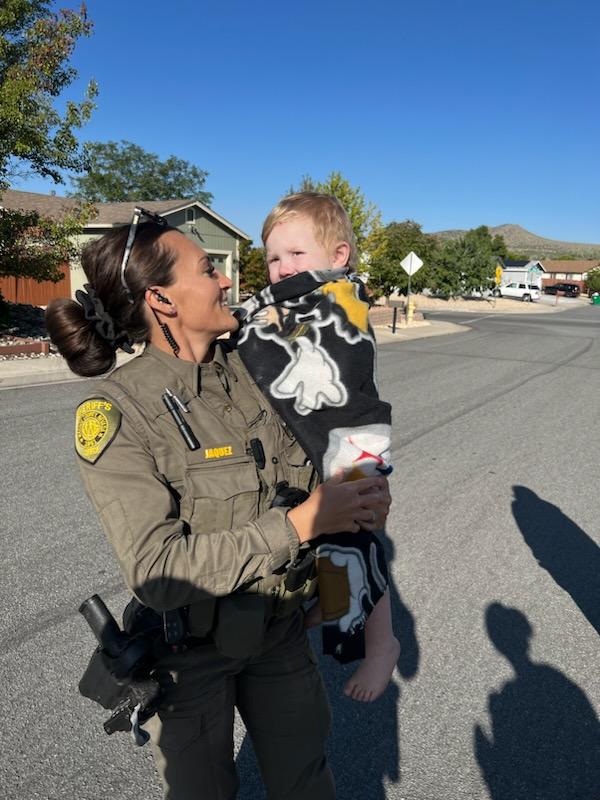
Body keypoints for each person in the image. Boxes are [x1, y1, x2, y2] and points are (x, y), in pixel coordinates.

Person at [44, 209, 391, 800]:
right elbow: (157, 571)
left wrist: (355, 507)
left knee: (306, 781)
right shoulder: (120, 413)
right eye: (208, 270)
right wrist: (302, 524)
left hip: (280, 634)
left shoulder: (261, 366)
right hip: (190, 657)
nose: (228, 280)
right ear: (162, 299)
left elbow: (334, 439)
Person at [234, 192, 400, 703]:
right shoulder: (298, 300)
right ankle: (333, 601)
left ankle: (381, 646)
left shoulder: (338, 299)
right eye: (273, 258)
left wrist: (239, 324)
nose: (283, 268)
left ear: (338, 256)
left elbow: (275, 342)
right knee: (328, 533)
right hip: (332, 441)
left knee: (353, 538)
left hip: (352, 440)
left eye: (296, 255)